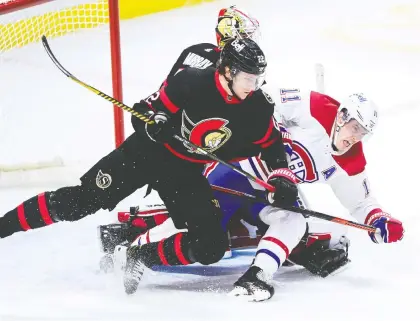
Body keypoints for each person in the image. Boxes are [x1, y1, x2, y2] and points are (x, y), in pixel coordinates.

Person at [0, 38, 299, 297]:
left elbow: (272, 145)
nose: (254, 86)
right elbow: (143, 111)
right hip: (146, 154)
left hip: (184, 172)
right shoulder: (191, 82)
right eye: (249, 78)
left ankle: (137, 256)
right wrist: (153, 124)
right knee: (80, 202)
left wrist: (282, 178)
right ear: (228, 70)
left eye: (258, 79)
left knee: (210, 245)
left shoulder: (256, 107)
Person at [99, 89, 405, 301]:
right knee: (204, 237)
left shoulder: (351, 161)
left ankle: (257, 276)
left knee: (296, 221)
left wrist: (379, 220)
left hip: (271, 196)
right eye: (354, 126)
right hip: (236, 170)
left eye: (363, 132)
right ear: (342, 116)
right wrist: (278, 141)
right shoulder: (314, 106)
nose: (355, 136)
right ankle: (133, 244)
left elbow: (361, 201)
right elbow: (263, 103)